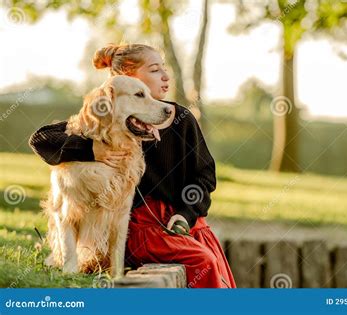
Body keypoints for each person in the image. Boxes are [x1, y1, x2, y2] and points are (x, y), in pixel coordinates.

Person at [29, 43, 236, 288]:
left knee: (211, 264)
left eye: (164, 69)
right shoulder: (105, 120)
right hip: (141, 227)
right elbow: (41, 139)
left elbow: (204, 176)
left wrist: (186, 214)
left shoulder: (181, 119)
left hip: (185, 223)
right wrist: (92, 149)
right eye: (154, 70)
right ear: (127, 78)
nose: (165, 76)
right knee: (202, 261)